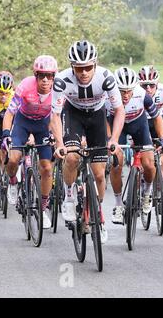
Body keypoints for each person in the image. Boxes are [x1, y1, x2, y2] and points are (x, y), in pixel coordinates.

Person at [50, 40, 125, 244]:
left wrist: (115, 139)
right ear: (72, 67)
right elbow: (55, 115)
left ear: (95, 64)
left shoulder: (106, 77)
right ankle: (68, 196)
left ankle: (98, 217)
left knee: (100, 174)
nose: (83, 73)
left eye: (88, 67)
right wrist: (59, 144)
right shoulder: (62, 80)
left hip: (97, 117)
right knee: (72, 157)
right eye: (79, 68)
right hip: (73, 116)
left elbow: (119, 110)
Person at [2, 56, 58, 229]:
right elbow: (10, 113)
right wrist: (6, 134)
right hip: (23, 123)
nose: (46, 80)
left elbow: (60, 116)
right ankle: (12, 180)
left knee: (47, 168)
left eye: (49, 76)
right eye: (42, 76)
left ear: (54, 76)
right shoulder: (25, 86)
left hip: (44, 125)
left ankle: (42, 207)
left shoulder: (58, 89)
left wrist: (57, 135)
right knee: (13, 158)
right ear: (35, 75)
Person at [106, 67, 163, 224]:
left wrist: (162, 139)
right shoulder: (107, 97)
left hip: (139, 125)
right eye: (121, 91)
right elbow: (104, 121)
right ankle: (118, 205)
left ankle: (146, 194)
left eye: (128, 91)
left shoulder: (142, 95)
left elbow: (157, 118)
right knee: (116, 163)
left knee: (149, 164)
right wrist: (109, 140)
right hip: (118, 126)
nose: (125, 95)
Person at [0, 72, 14, 206]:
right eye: (1, 92)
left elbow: (19, 120)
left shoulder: (14, 98)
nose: (3, 96)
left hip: (9, 124)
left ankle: (10, 177)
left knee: (8, 154)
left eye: (6, 93)